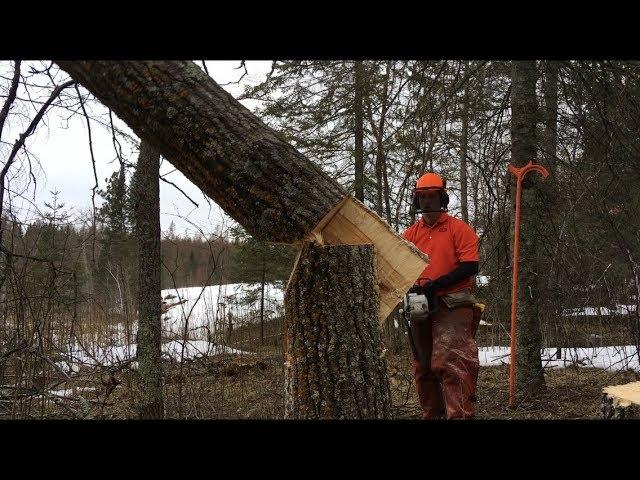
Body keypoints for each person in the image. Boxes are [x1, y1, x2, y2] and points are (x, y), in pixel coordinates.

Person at [402, 172, 482, 419]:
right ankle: (432, 415)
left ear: (442, 198)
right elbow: (401, 267)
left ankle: (460, 415)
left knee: (453, 362)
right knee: (423, 366)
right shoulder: (409, 235)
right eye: (422, 197)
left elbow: (470, 266)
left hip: (453, 301)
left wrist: (436, 285)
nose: (427, 202)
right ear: (417, 201)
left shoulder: (459, 229)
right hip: (420, 303)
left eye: (432, 196)